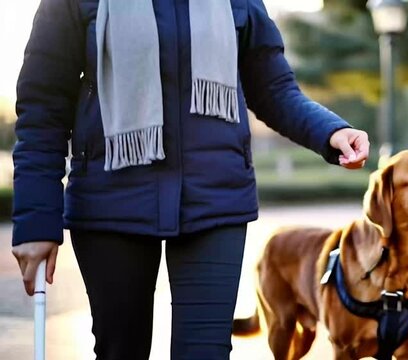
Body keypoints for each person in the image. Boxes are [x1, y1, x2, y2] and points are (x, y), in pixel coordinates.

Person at [11, 0, 369, 359]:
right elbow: (43, 106)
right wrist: (36, 221)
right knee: (120, 350)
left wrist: (331, 132)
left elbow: (272, 87)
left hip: (215, 199)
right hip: (111, 201)